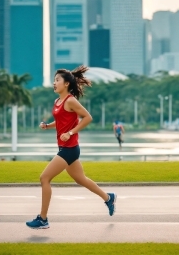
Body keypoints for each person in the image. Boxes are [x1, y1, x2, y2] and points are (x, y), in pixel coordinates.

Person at [26, 65, 116, 230]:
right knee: (80, 179)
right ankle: (108, 198)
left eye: (57, 80)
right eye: (54, 80)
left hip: (70, 148)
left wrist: (71, 132)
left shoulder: (71, 100)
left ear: (66, 84)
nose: (54, 83)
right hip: (65, 147)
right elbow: (61, 122)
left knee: (44, 178)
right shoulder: (57, 101)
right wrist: (48, 126)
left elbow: (88, 117)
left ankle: (43, 219)